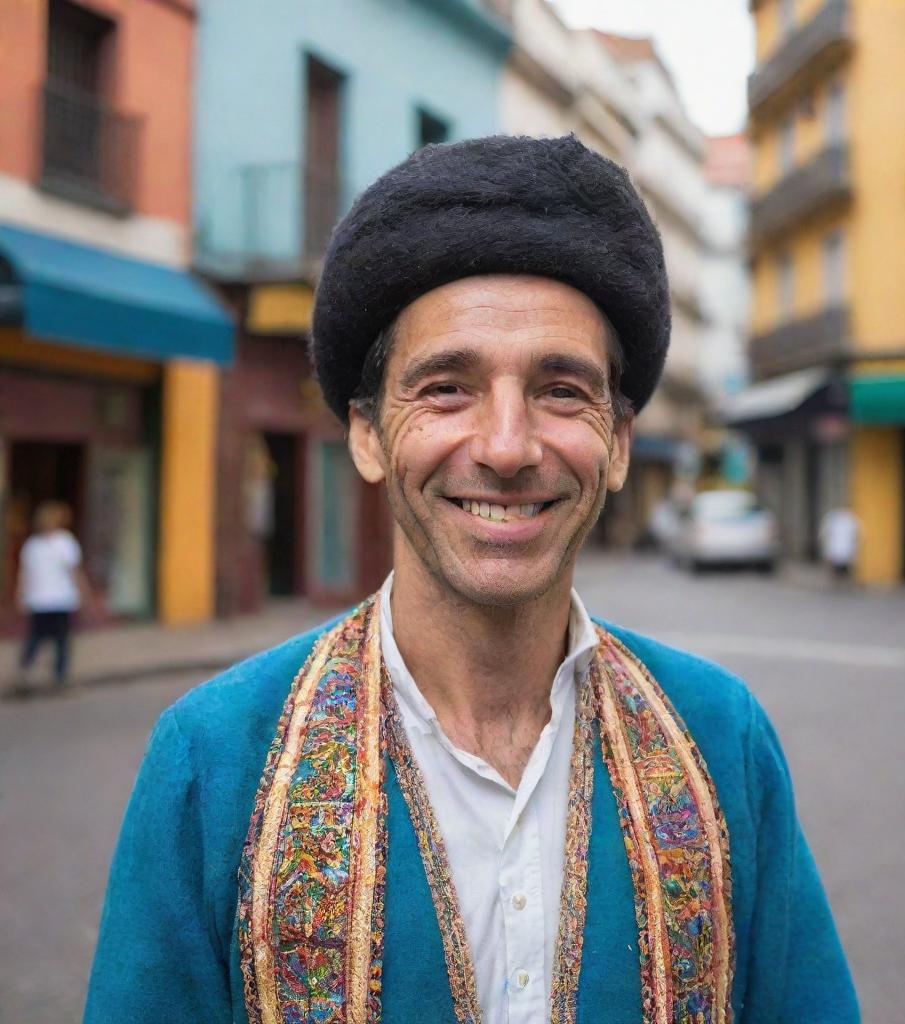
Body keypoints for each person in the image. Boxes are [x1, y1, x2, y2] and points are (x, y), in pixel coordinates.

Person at [84, 136, 858, 1023]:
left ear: (619, 443)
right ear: (369, 436)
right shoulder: (213, 758)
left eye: (561, 390)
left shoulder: (721, 739)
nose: (505, 446)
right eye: (447, 388)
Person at [12, 500, 88, 693]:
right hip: (55, 598)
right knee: (56, 639)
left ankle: (29, 670)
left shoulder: (34, 545)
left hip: (46, 599)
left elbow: (24, 573)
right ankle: (56, 676)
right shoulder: (63, 542)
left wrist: (20, 594)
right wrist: (83, 591)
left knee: (40, 637)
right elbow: (74, 571)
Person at [819, 507, 860, 582]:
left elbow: (824, 534)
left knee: (844, 568)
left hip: (843, 550)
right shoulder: (835, 519)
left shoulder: (850, 520)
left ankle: (841, 581)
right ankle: (838, 581)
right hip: (839, 550)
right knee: (838, 568)